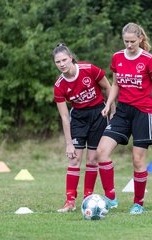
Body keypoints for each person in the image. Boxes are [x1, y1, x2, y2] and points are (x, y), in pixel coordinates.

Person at [96, 23, 152, 214]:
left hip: (143, 113)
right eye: (126, 41)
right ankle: (110, 198)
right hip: (122, 111)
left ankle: (138, 204)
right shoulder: (117, 57)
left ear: (140, 39)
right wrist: (108, 104)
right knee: (101, 151)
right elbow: (116, 84)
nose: (129, 45)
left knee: (137, 160)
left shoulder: (149, 60)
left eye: (132, 41)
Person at [52, 43, 114, 213]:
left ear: (71, 58)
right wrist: (68, 143)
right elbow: (65, 117)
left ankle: (88, 197)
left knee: (92, 160)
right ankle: (69, 201)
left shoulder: (89, 69)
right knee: (73, 159)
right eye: (58, 62)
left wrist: (111, 111)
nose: (62, 64)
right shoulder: (59, 85)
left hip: (97, 115)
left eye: (64, 60)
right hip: (78, 118)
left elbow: (108, 88)